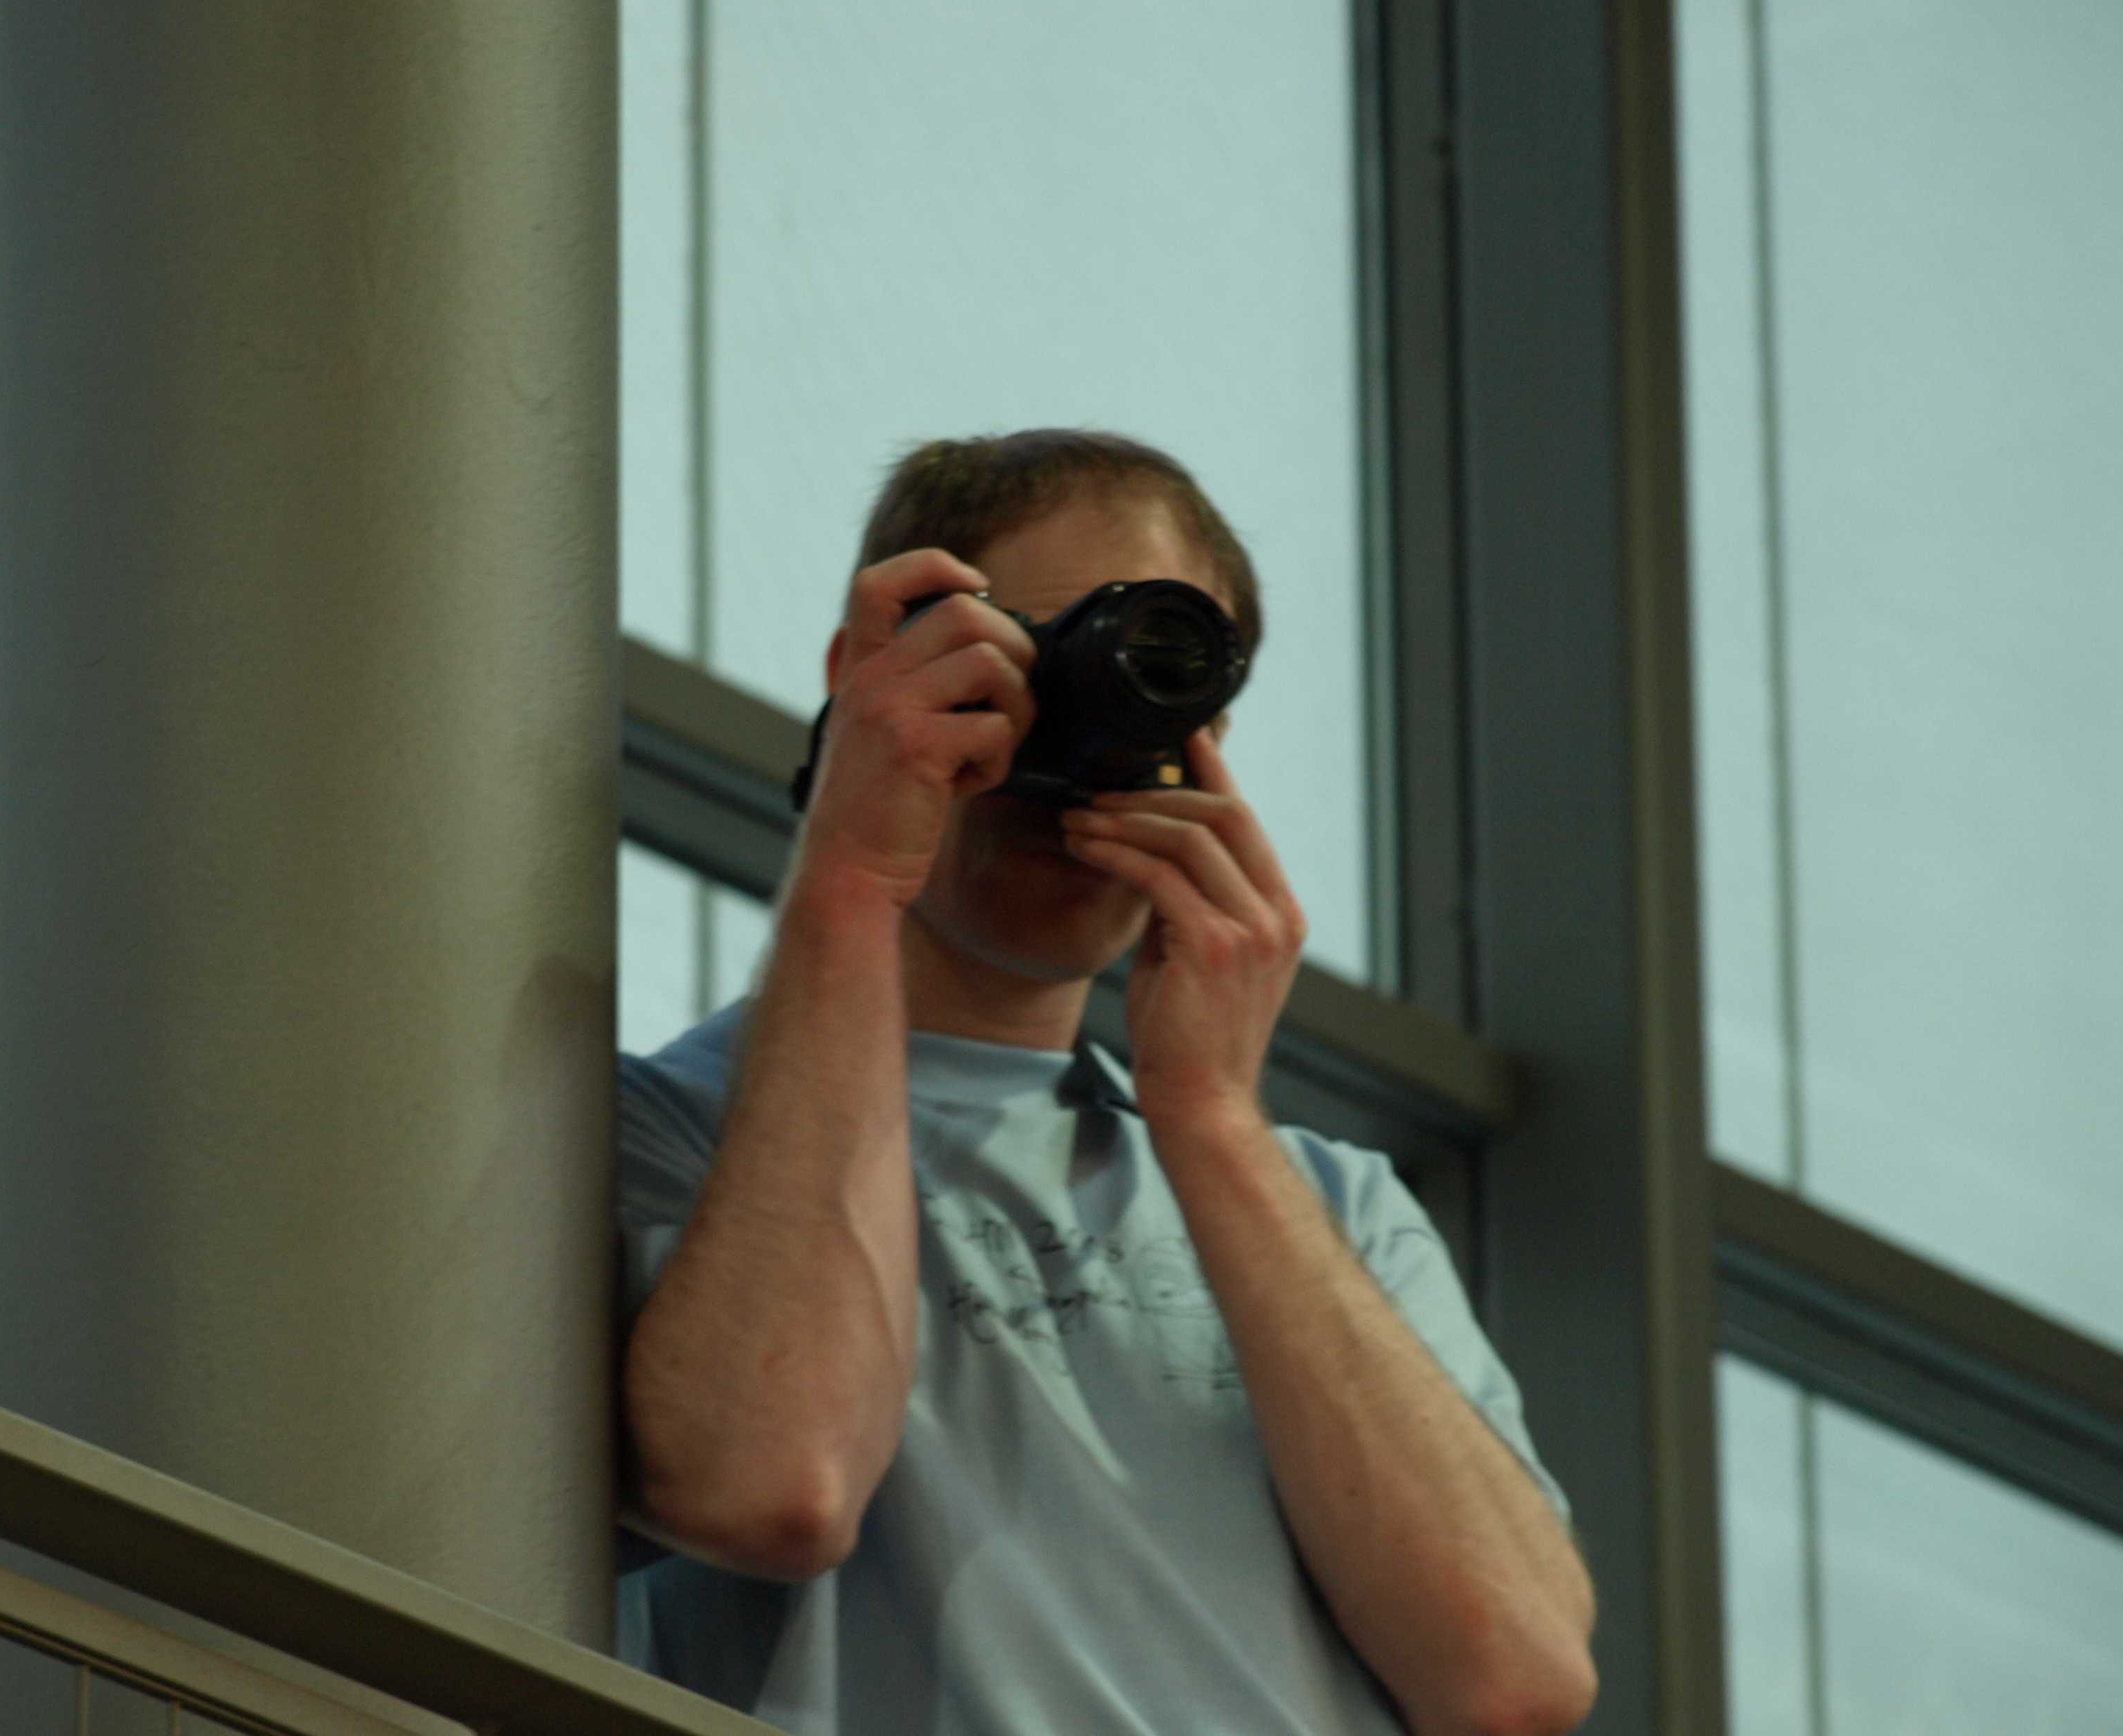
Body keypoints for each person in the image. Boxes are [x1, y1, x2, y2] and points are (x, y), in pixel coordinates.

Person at [612, 430, 1597, 1735]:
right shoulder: (651, 1132)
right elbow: (771, 1486)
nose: (1086, 731)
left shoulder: (1335, 1207)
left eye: (1150, 683)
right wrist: (850, 872)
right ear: (869, 674)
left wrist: (1213, 1117)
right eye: (1027, 664)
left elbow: (1517, 1675)